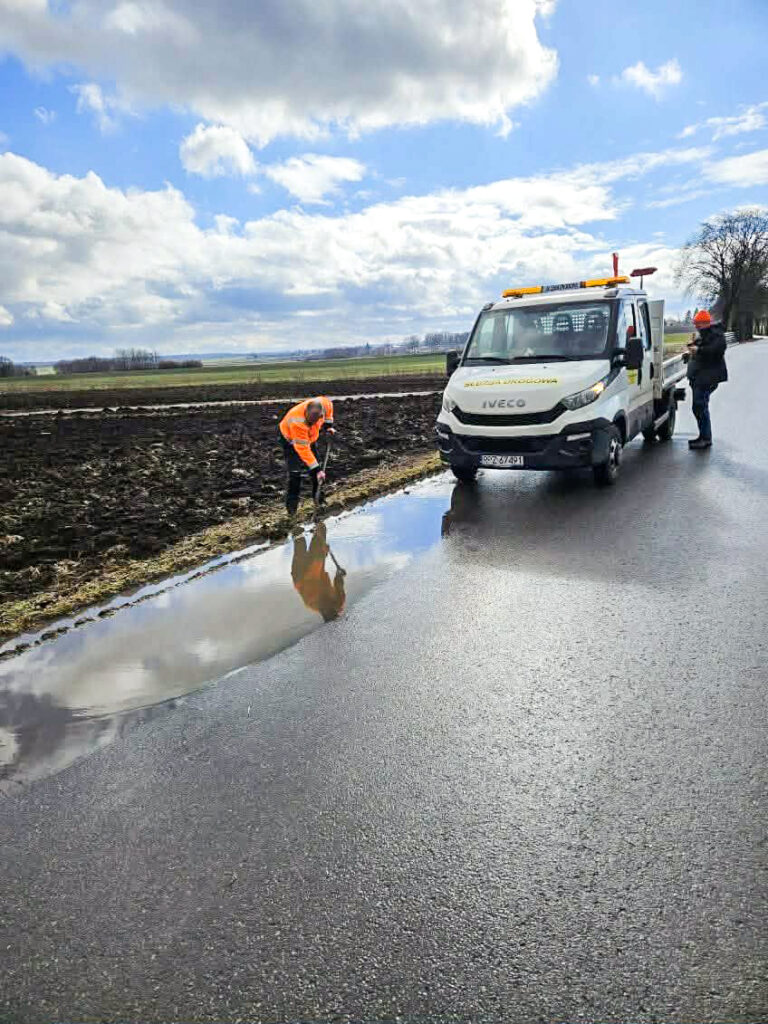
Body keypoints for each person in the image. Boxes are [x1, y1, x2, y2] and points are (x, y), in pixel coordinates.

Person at [279, 396, 335, 516]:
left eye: (313, 423)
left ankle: (319, 501)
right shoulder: (297, 422)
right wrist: (318, 470)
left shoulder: (325, 404)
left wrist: (328, 427)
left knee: (317, 471)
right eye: (309, 422)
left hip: (309, 438)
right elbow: (303, 449)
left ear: (321, 416)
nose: (310, 424)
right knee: (295, 474)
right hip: (289, 439)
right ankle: (292, 511)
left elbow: (329, 410)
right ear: (306, 413)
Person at [686, 310, 728, 450]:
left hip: (707, 378)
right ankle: (703, 436)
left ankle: (706, 438)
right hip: (700, 377)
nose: (696, 327)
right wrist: (691, 350)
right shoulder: (704, 335)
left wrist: (698, 350)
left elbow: (714, 351)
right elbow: (700, 350)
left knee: (700, 405)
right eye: (695, 324)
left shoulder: (716, 336)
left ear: (705, 323)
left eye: (698, 324)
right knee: (698, 407)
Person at [291, 523, 346, 622]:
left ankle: (295, 522)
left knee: (299, 542)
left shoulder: (312, 602)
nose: (327, 608)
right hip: (317, 570)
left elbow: (310, 575)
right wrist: (340, 575)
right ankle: (317, 522)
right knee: (321, 530)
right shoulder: (338, 603)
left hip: (300, 575)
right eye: (331, 610)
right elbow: (339, 584)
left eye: (325, 611)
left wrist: (321, 554)